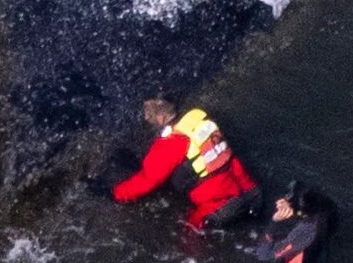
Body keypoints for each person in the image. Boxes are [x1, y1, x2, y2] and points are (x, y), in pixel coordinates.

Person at [111, 98, 262, 230]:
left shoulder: (172, 143)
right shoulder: (198, 120)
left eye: (148, 113)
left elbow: (147, 180)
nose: (145, 117)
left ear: (161, 117)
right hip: (250, 191)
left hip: (221, 205)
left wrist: (114, 193)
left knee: (188, 232)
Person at [255, 182, 336, 263]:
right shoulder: (325, 211)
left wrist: (275, 223)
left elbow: (263, 254)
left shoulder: (303, 235)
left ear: (300, 211)